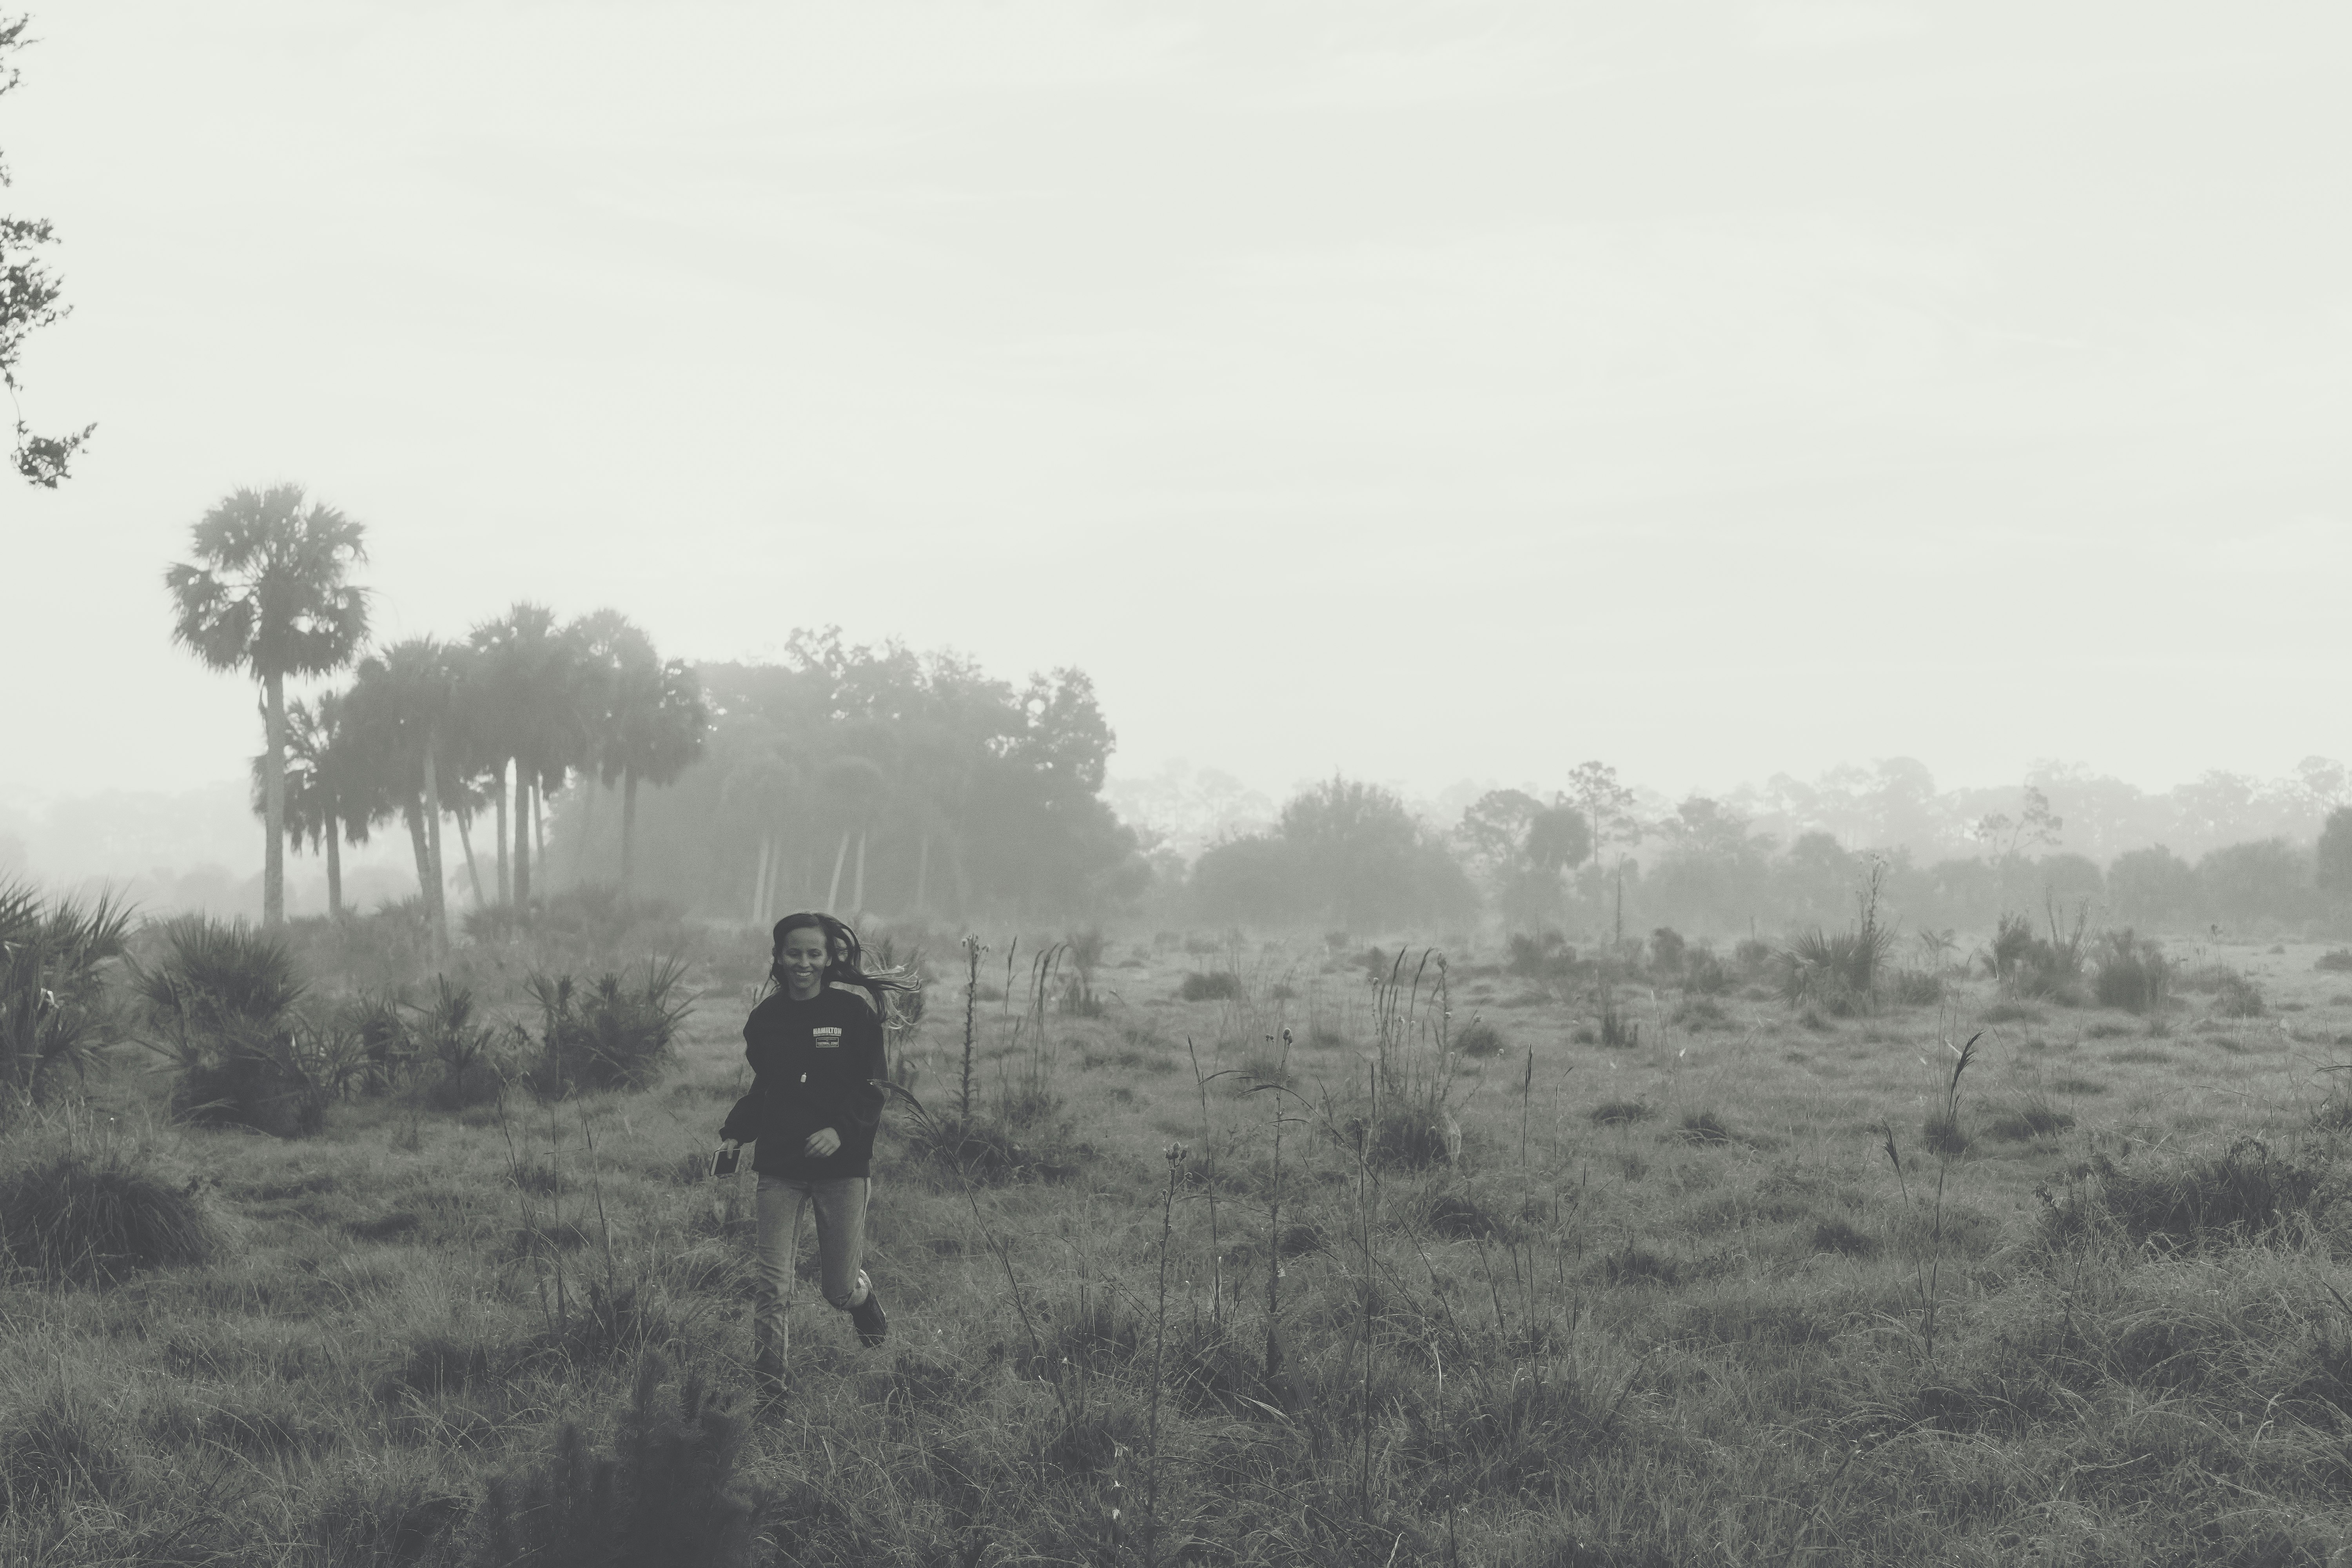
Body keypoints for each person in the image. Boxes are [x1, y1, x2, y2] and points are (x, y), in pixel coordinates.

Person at [717, 911, 906, 1394]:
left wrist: (840, 1132)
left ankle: (862, 1300)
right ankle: (771, 1391)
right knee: (771, 1287)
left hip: (842, 1169)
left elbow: (876, 1087)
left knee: (836, 1290)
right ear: (779, 957)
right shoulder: (765, 1021)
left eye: (813, 954)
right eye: (793, 953)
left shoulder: (853, 1015)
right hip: (780, 1167)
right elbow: (768, 1087)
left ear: (828, 958)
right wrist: (735, 1134)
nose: (803, 963)